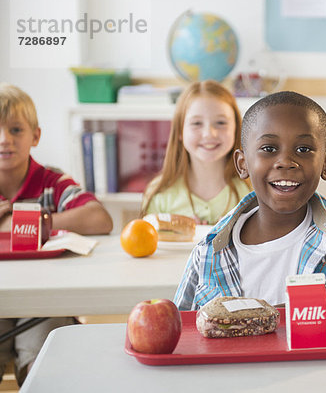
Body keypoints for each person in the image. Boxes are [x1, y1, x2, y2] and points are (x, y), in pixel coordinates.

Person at [174, 91, 326, 318]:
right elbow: (181, 329)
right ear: (242, 163)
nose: (286, 161)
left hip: (325, 365)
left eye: (304, 149)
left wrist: (284, 312)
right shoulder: (210, 250)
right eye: (268, 148)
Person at [0, 83, 113, 386]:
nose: (4, 140)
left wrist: (30, 223)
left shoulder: (52, 182)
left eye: (15, 130)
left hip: (43, 301)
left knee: (43, 367)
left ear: (35, 136)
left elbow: (99, 218)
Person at [141, 81, 251, 224]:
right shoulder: (159, 193)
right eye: (197, 123)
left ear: (236, 128)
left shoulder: (253, 190)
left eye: (221, 123)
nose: (209, 134)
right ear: (180, 130)